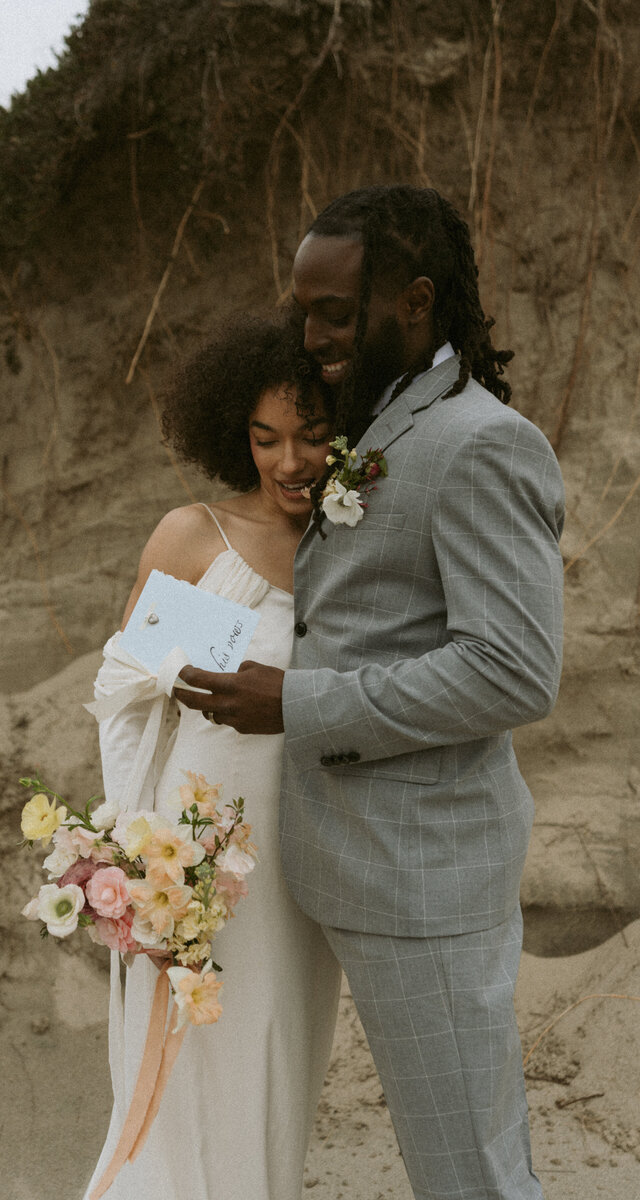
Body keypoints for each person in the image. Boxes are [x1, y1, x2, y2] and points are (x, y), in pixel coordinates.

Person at [175, 186, 565, 1200]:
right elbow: (323, 607)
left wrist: (297, 703)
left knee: (466, 1172)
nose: (307, 336)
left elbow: (512, 668)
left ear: (416, 302)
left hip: (420, 877)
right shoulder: (374, 418)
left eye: (333, 313)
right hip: (335, 862)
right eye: (300, 309)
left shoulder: (479, 442)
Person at [82, 316, 342, 1200]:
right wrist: (137, 850)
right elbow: (129, 692)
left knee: (275, 1065)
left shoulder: (355, 552)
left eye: (314, 435)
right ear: (238, 434)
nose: (292, 461)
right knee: (184, 1073)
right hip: (202, 862)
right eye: (267, 438)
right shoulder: (203, 541)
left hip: (306, 861)